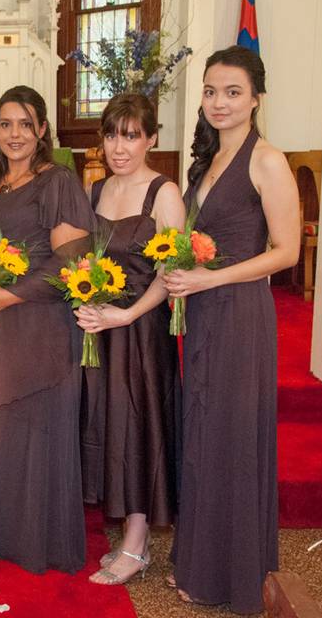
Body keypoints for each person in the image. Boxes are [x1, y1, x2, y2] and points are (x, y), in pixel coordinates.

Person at [164, 45, 298, 613]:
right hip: (203, 311)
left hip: (240, 313)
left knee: (231, 436)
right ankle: (201, 561)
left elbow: (286, 252)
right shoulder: (207, 159)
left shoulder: (266, 159)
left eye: (233, 92)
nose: (219, 103)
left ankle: (231, 574)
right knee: (204, 431)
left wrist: (207, 281)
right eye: (212, 92)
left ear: (256, 99)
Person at [0, 85, 95, 574]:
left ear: (42, 129)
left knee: (34, 428)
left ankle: (41, 540)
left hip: (36, 320)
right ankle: (0, 537)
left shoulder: (57, 180)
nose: (14, 134)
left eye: (24, 123)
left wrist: (10, 294)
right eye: (5, 124)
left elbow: (73, 262)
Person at [74, 93, 184, 585]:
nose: (121, 147)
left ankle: (137, 546)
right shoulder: (94, 190)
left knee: (140, 429)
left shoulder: (164, 193)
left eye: (132, 135)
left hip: (141, 332)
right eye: (113, 134)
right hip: (103, 329)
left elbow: (173, 273)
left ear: (151, 138)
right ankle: (124, 534)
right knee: (110, 425)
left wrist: (129, 314)